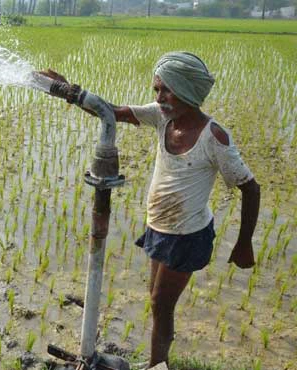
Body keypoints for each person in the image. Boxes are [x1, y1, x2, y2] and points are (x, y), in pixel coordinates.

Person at [40, 52, 261, 368]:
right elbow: (112, 112)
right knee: (157, 302)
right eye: (156, 89)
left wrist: (244, 242)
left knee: (161, 303)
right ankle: (159, 361)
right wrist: (71, 93)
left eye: (166, 90)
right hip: (160, 227)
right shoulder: (162, 117)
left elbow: (251, 188)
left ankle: (158, 364)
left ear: (187, 91)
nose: (159, 98)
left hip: (187, 234)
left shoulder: (214, 138)